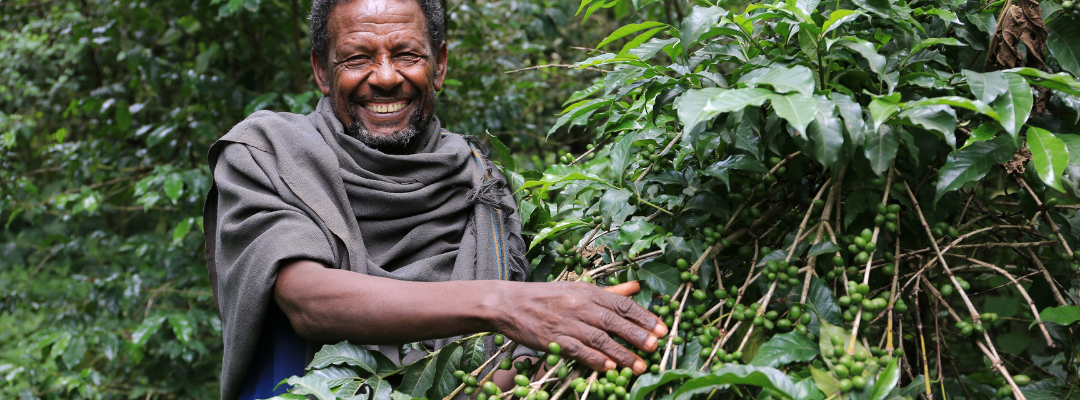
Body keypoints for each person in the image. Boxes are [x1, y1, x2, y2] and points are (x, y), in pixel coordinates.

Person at [202, 0, 667, 398]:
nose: (385, 77)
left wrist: (554, 363)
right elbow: (308, 300)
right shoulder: (267, 154)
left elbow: (488, 368)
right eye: (357, 58)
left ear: (439, 65)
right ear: (322, 71)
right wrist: (509, 304)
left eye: (407, 54)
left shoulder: (483, 184)